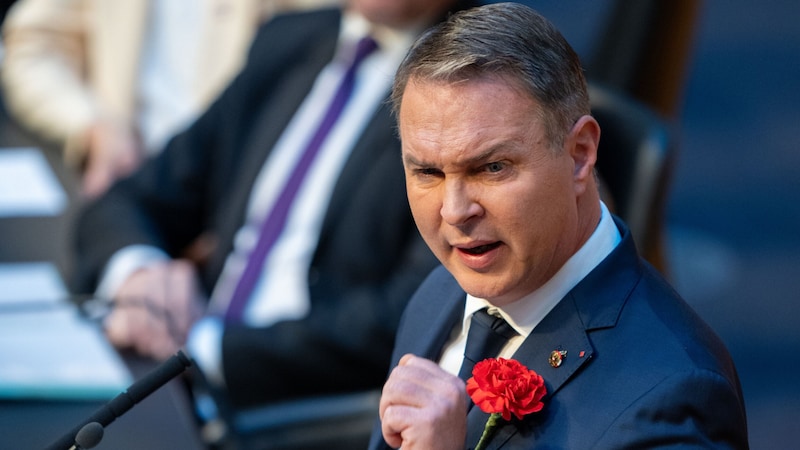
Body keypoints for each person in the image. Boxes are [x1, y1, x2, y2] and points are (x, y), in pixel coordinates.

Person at [371, 3, 749, 449]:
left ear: (580, 155)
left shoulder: (671, 395)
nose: (455, 211)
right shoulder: (440, 293)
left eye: (492, 167)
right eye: (428, 173)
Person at [71, 0, 478, 411]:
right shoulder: (290, 40)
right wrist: (140, 274)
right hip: (168, 365)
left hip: (289, 410)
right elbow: (130, 199)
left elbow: (417, 311)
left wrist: (206, 348)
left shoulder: (474, 86)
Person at [0, 0, 338, 198]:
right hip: (126, 192)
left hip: (241, 200)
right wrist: (93, 126)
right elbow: (34, 44)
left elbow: (334, 64)